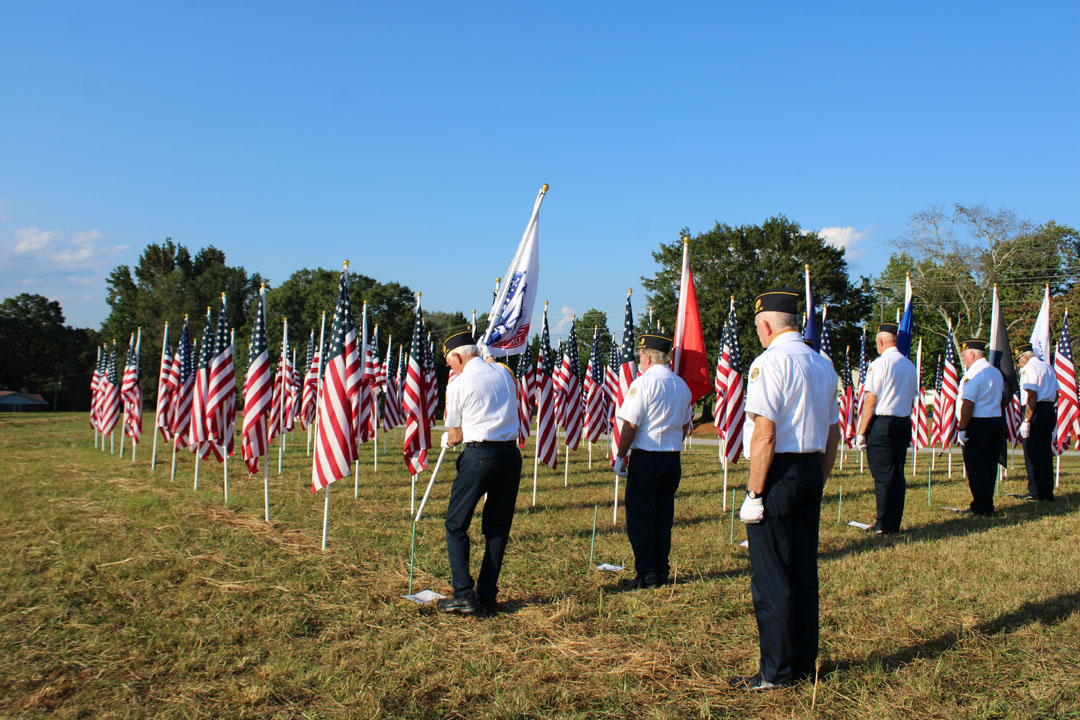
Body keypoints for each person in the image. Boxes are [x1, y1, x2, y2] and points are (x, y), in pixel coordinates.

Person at [732, 288, 840, 691]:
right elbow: (833, 433)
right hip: (811, 468)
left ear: (765, 325)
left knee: (772, 577)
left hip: (777, 474)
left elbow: (764, 435)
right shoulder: (822, 365)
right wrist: (819, 477)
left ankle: (775, 672)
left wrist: (754, 494)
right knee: (802, 573)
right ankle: (802, 662)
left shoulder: (768, 363)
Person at [436, 330, 522, 616]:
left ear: (458, 357)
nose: (451, 368)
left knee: (456, 524)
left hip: (480, 456)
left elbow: (456, 432)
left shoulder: (460, 384)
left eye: (451, 363)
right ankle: (487, 594)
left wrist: (448, 439)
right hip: (510, 454)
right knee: (497, 528)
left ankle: (463, 593)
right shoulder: (503, 372)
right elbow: (494, 364)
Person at [612, 332, 693, 589]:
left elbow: (631, 424)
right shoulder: (681, 384)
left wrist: (621, 455)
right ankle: (661, 569)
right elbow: (683, 426)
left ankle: (646, 572)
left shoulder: (643, 384)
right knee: (663, 517)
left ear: (646, 357)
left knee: (640, 518)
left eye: (640, 357)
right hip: (671, 458)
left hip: (647, 458)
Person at [854, 322, 918, 534]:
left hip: (883, 423)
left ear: (881, 341)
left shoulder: (880, 364)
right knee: (897, 474)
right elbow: (911, 399)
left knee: (883, 475)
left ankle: (884, 524)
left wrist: (861, 432)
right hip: (903, 420)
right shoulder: (909, 365)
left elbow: (870, 401)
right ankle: (893, 522)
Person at [955, 338, 1006, 516]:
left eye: (964, 355)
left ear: (971, 354)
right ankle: (986, 502)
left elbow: (968, 403)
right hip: (995, 421)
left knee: (976, 467)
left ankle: (980, 505)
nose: (963, 359)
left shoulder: (974, 374)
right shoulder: (995, 372)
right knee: (990, 465)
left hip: (978, 423)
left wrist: (962, 428)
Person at [1012, 343, 1059, 501]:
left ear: (1024, 357)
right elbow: (1057, 393)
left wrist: (1027, 420)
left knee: (1032, 454)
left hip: (1035, 411)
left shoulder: (1028, 369)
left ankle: (1035, 490)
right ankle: (1046, 491)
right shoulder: (1048, 367)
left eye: (1019, 361)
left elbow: (1031, 395)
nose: (1019, 365)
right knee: (1045, 453)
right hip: (1049, 410)